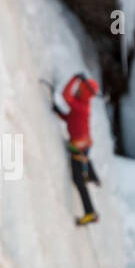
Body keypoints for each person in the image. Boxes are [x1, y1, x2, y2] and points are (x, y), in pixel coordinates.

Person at [51, 73, 101, 225]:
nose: (77, 89)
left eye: (80, 87)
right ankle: (91, 175)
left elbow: (65, 95)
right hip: (83, 144)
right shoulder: (82, 105)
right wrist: (59, 113)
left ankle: (90, 212)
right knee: (82, 166)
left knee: (78, 181)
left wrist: (74, 78)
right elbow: (72, 119)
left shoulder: (79, 106)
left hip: (78, 147)